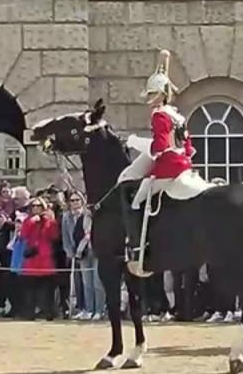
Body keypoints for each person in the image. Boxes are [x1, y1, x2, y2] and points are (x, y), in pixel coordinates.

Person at [120, 49, 198, 276]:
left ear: (162, 94)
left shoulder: (160, 115)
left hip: (168, 167)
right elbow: (190, 148)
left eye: (152, 95)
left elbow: (159, 148)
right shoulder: (178, 115)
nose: (149, 100)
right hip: (184, 164)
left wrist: (134, 142)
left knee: (137, 200)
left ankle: (138, 247)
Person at [62, 191, 105, 320]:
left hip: (95, 250)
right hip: (81, 253)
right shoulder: (67, 217)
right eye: (72, 200)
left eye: (77, 200)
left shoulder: (89, 214)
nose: (75, 203)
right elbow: (67, 237)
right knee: (86, 283)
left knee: (97, 282)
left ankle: (99, 310)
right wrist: (71, 252)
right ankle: (88, 309)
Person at [18, 198, 59, 320]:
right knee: (30, 290)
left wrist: (48, 220)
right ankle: (29, 313)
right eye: (34, 206)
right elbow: (24, 235)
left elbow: (54, 236)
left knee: (46, 290)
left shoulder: (50, 222)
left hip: (45, 258)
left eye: (39, 206)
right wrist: (31, 222)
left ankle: (47, 312)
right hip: (31, 258)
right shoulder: (27, 221)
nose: (36, 209)